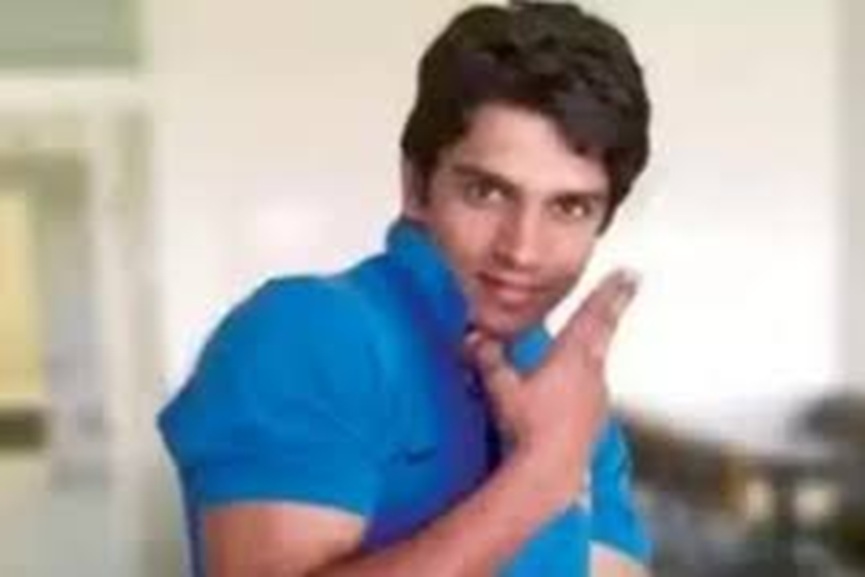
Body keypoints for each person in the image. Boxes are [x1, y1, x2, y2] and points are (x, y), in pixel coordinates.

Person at [159, 2, 653, 575]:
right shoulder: (306, 334)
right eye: (488, 193)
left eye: (568, 207)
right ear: (417, 185)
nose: (521, 250)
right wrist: (539, 478)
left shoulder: (565, 390)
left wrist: (556, 457)